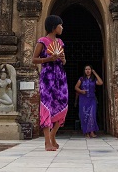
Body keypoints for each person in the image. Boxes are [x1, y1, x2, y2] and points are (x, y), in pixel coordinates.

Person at [32, 15, 67, 151]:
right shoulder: (43, 41)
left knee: (62, 105)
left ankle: (53, 135)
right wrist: (48, 59)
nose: (62, 28)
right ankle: (47, 142)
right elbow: (34, 60)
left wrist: (62, 59)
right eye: (60, 25)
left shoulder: (60, 43)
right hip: (47, 77)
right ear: (54, 27)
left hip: (60, 77)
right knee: (47, 106)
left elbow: (64, 62)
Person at [74, 65, 103, 138]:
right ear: (84, 71)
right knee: (84, 115)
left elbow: (101, 82)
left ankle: (92, 132)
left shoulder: (94, 79)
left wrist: (95, 73)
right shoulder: (81, 79)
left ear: (91, 70)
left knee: (92, 115)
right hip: (83, 99)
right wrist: (81, 91)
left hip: (92, 99)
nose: (87, 71)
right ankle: (86, 132)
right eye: (86, 69)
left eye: (89, 69)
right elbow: (76, 87)